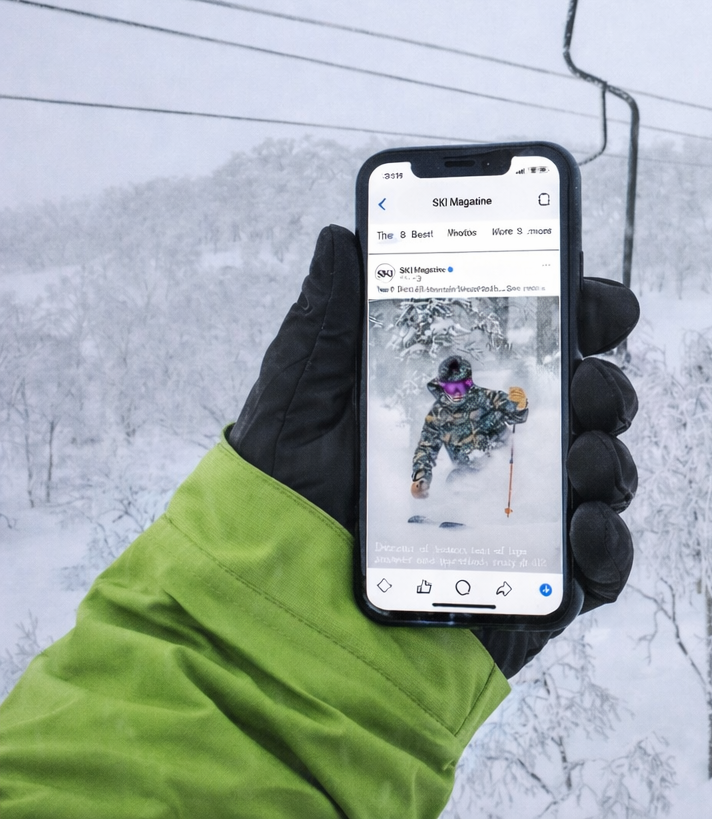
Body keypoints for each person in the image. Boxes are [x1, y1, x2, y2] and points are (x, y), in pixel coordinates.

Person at [0, 226, 642, 817]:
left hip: (491, 464)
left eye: (454, 391)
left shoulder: (473, 400)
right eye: (442, 393)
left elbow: (507, 412)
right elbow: (425, 447)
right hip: (460, 482)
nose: (449, 397)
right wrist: (417, 484)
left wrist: (521, 409)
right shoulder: (443, 415)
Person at [412, 355, 529, 499]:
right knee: (455, 481)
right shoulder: (439, 414)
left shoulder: (486, 398)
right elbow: (426, 447)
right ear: (442, 387)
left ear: (469, 383)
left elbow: (515, 415)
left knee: (481, 481)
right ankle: (458, 510)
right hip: (466, 466)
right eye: (450, 388)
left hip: (499, 462)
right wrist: (420, 476)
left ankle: (493, 507)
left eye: (460, 387)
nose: (456, 394)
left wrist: (519, 405)